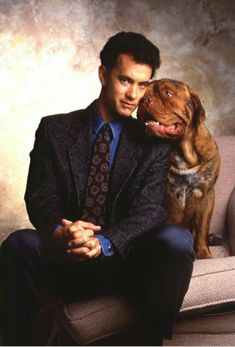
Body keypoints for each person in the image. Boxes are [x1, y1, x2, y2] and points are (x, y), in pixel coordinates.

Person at [0, 31, 195, 345]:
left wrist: (103, 242)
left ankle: (152, 343)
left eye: (142, 84)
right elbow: (40, 195)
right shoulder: (55, 128)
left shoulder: (153, 143)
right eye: (125, 80)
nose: (134, 94)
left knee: (176, 238)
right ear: (104, 74)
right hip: (65, 258)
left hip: (124, 263)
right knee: (19, 243)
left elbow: (150, 212)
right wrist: (61, 232)